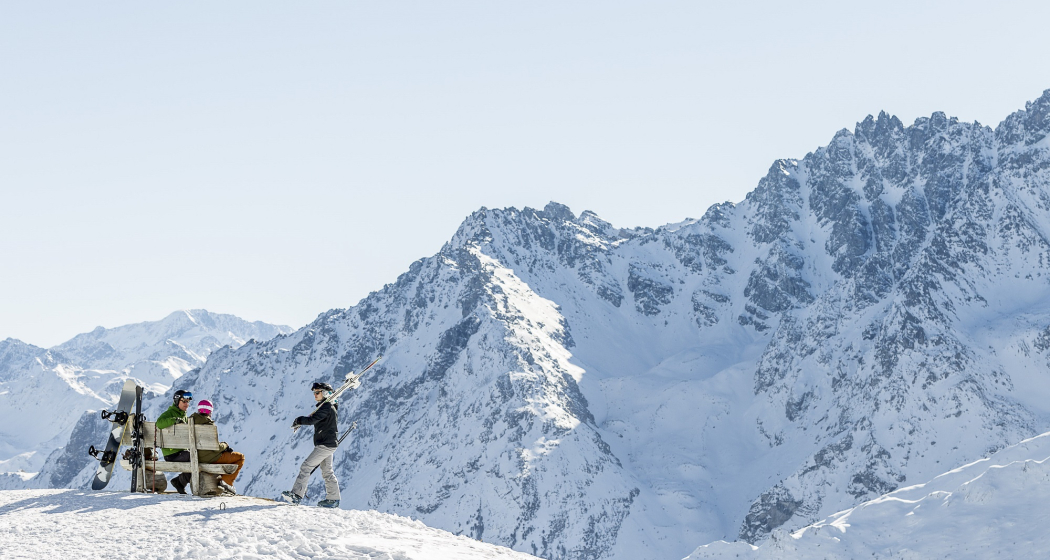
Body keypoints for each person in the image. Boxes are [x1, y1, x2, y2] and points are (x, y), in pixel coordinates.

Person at [280, 381, 341, 507]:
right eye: (314, 393)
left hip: (325, 445)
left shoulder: (326, 407)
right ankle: (333, 499)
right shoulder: (328, 406)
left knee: (306, 466)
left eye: (317, 392)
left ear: (324, 393)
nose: (315, 395)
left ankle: (296, 495)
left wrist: (299, 420)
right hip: (328, 444)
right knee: (327, 471)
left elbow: (312, 420)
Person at [189, 399, 245, 495]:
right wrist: (225, 445)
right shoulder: (208, 424)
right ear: (210, 411)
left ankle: (223, 482)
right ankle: (227, 483)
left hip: (195, 457)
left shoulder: (190, 422)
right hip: (210, 458)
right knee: (240, 457)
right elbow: (215, 448)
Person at [155, 389, 193, 494]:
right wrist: (174, 420)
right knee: (194, 457)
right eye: (184, 401)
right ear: (177, 402)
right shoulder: (170, 413)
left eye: (188, 401)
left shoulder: (184, 415)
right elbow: (159, 423)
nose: (187, 404)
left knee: (197, 456)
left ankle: (179, 482)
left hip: (181, 452)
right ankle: (180, 482)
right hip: (172, 454)